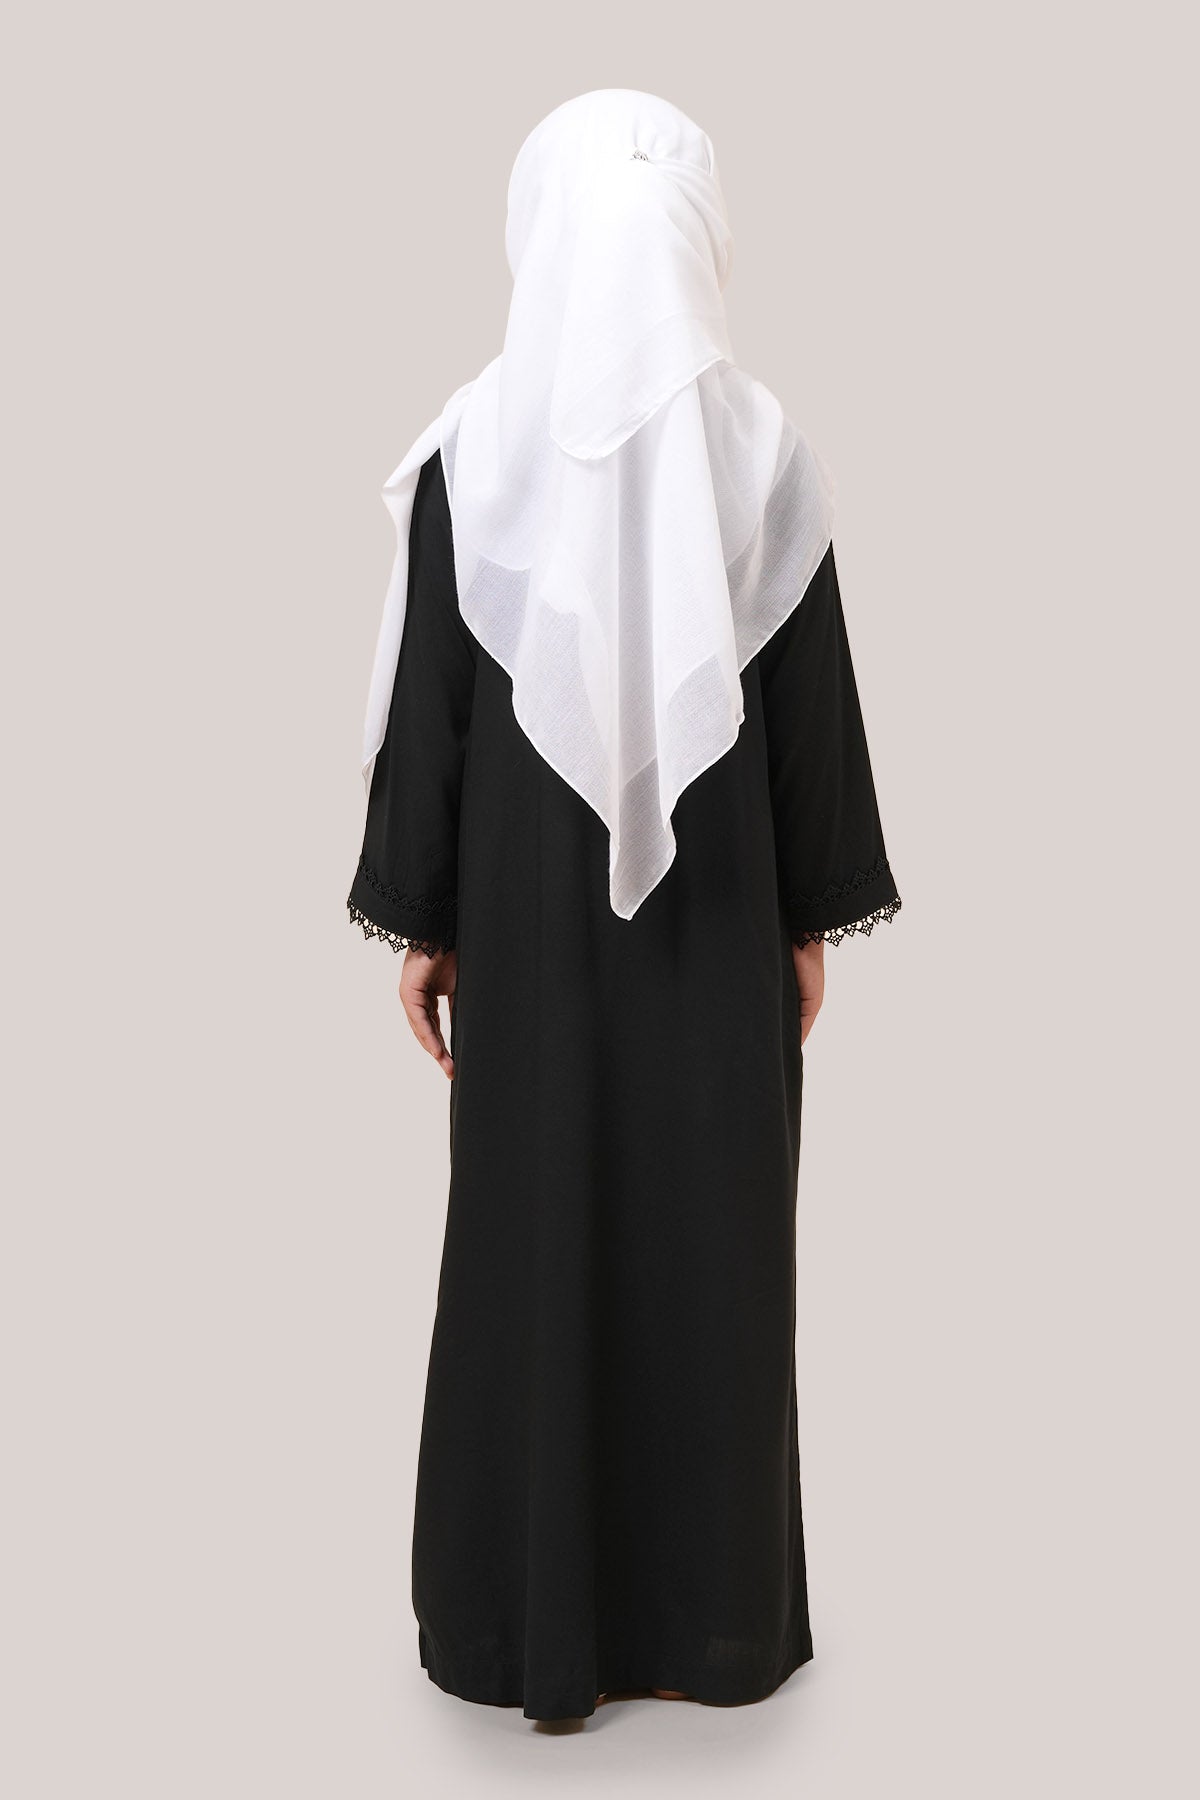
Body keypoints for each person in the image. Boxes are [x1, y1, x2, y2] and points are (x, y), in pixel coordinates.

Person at [346, 89, 901, 1725]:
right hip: (721, 930)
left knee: (527, 1240)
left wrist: (426, 922)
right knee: (711, 1249)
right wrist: (808, 921)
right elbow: (810, 720)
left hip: (523, 936)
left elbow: (434, 715)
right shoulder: (766, 454)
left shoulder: (471, 456)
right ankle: (712, 1624)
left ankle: (520, 1626)